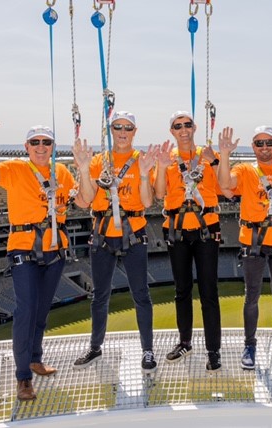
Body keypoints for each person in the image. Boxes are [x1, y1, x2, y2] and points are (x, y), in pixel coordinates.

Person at [0, 107, 86, 401]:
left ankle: (35, 358)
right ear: (27, 147)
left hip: (53, 249)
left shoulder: (61, 172)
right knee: (25, 311)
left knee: (42, 310)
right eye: (36, 142)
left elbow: (83, 202)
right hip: (23, 248)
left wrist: (83, 169)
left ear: (53, 147)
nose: (41, 147)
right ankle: (23, 377)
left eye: (47, 142)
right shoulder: (15, 169)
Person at [73, 111, 159, 374]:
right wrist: (85, 170)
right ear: (112, 130)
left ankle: (147, 350)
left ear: (134, 132)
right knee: (99, 296)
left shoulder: (141, 161)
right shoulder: (99, 160)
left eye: (128, 128)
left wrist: (144, 175)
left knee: (140, 294)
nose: (123, 131)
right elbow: (84, 200)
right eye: (118, 127)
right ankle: (96, 347)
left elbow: (147, 202)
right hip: (102, 233)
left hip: (133, 232)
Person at [217, 125, 272, 370]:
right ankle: (250, 345)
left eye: (269, 143)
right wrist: (224, 154)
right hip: (253, 241)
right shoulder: (245, 170)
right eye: (259, 143)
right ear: (253, 147)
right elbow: (225, 184)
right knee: (251, 296)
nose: (264, 147)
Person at [154, 111, 224, 372]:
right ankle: (185, 341)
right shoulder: (169, 160)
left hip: (206, 228)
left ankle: (213, 350)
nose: (183, 129)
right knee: (182, 290)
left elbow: (226, 188)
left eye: (187, 125)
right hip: (177, 230)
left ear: (194, 128)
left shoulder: (207, 157)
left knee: (209, 292)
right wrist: (161, 167)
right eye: (177, 126)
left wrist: (216, 160)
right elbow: (160, 193)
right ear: (171, 131)